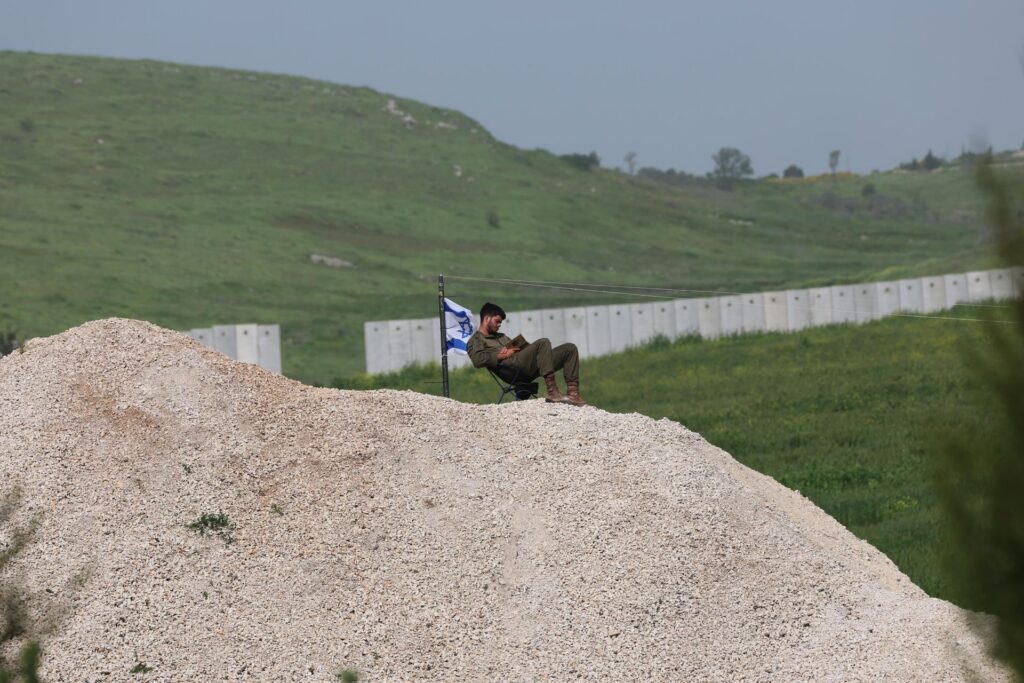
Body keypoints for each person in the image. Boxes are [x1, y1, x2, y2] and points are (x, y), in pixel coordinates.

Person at [466, 302, 587, 406]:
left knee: (570, 349)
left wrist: (521, 347)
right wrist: (501, 355)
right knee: (543, 342)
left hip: (526, 364)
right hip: (513, 370)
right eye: (497, 321)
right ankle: (553, 392)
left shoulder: (501, 336)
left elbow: (522, 349)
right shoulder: (476, 340)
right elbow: (477, 360)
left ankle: (573, 394)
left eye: (500, 323)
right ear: (487, 319)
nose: (499, 325)